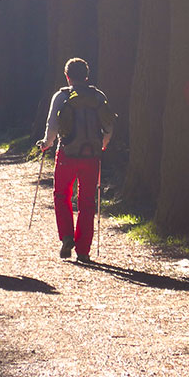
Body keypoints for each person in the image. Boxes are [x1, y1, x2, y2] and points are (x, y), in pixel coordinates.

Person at [37, 58, 115, 263]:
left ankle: (67, 237)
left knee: (62, 195)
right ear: (86, 76)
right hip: (92, 156)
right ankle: (83, 250)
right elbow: (108, 125)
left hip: (67, 153)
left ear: (67, 75)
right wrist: (103, 144)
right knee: (87, 202)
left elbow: (52, 125)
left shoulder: (61, 97)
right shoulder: (98, 96)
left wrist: (46, 143)